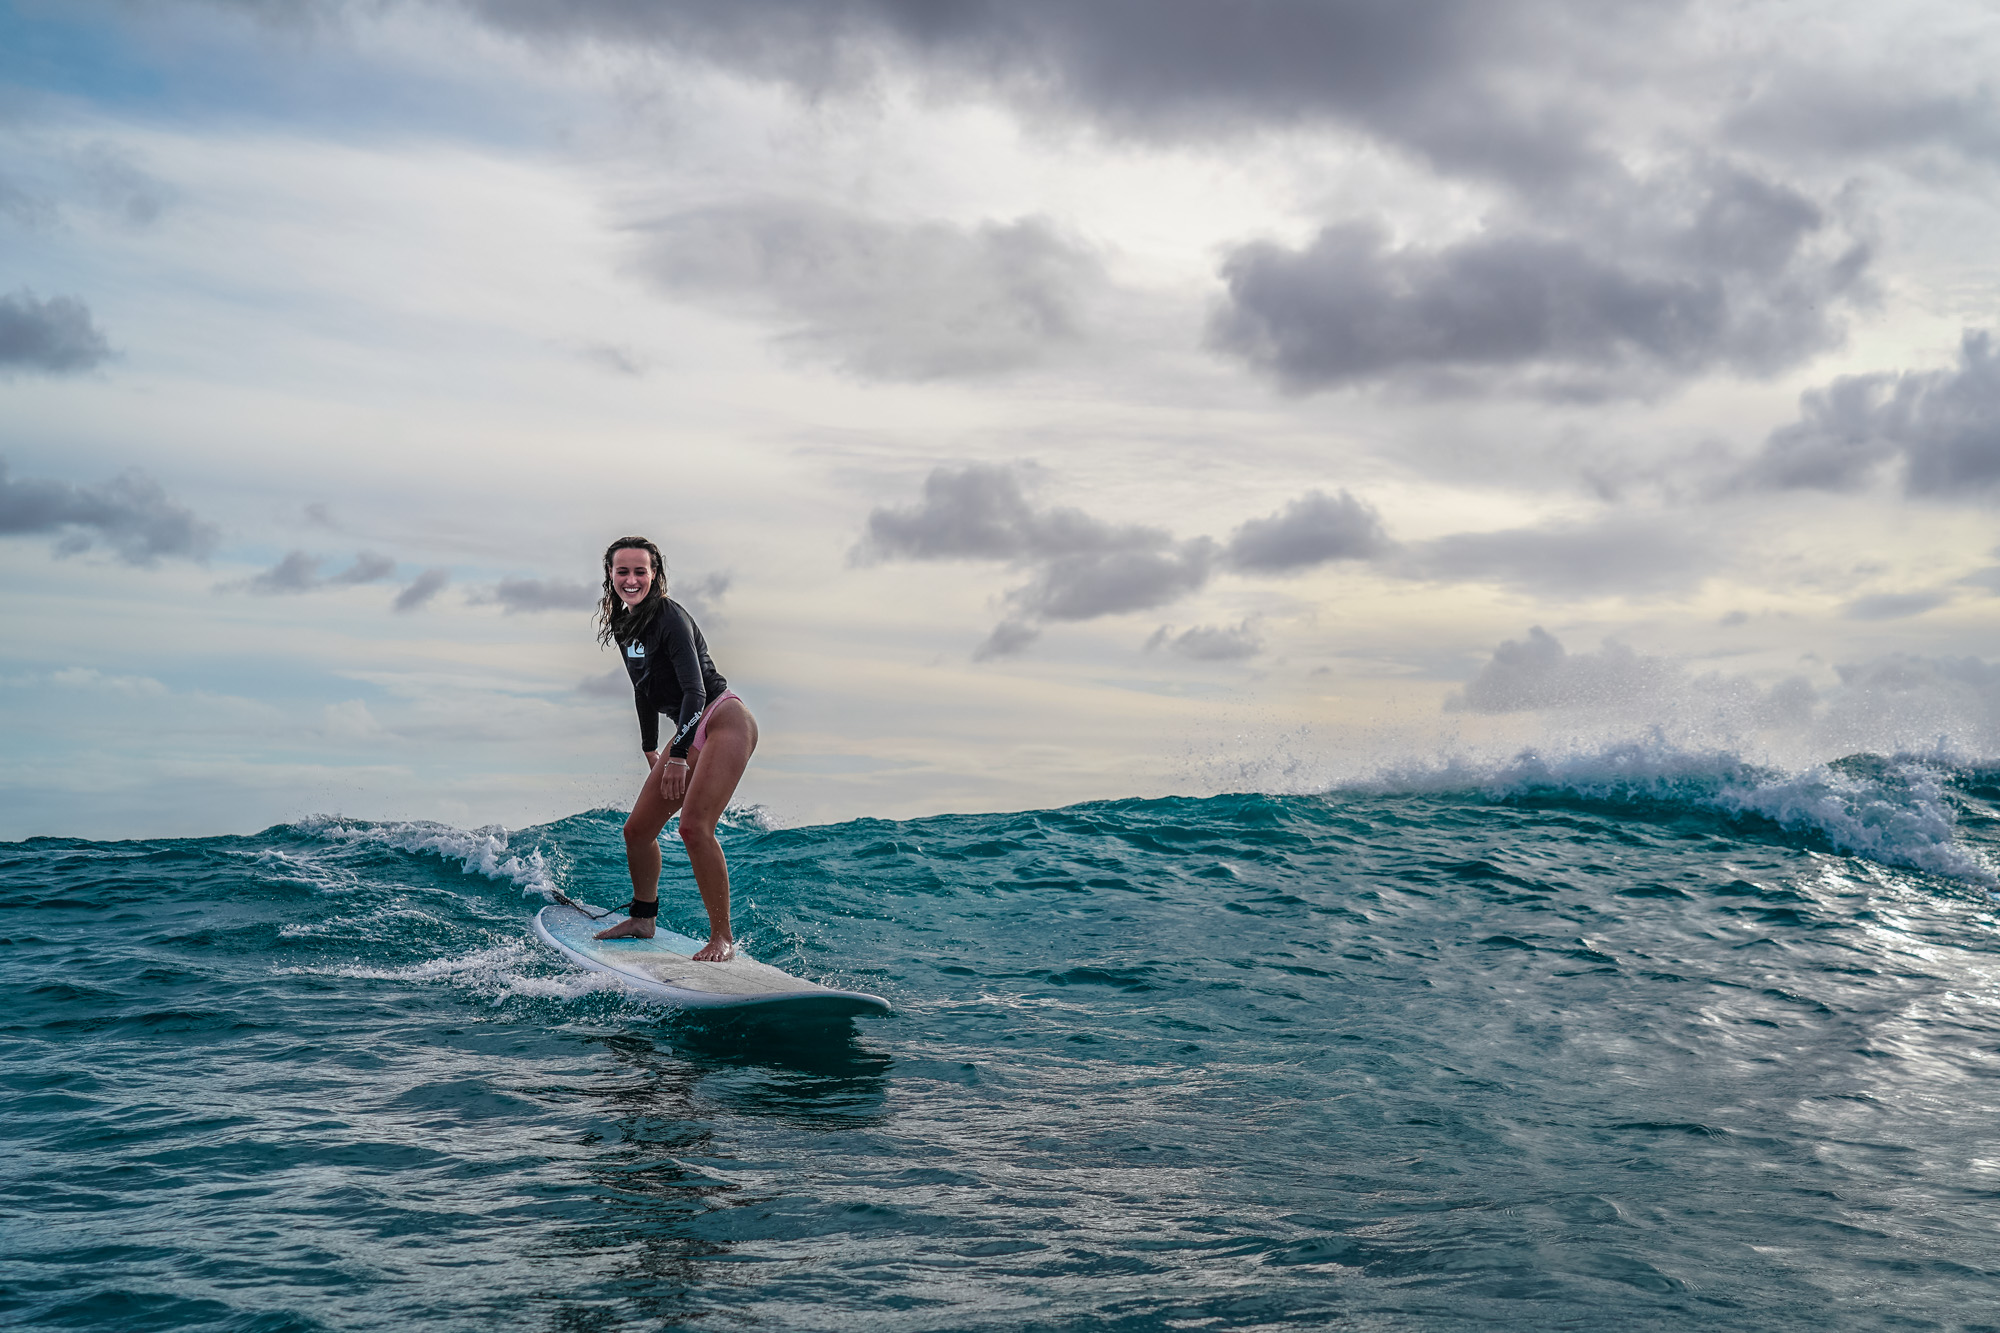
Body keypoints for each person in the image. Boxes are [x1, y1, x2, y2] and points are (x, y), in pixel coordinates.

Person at [590, 536, 758, 961]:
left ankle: (722, 938)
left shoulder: (669, 617)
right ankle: (643, 917)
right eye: (622, 571)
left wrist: (678, 756)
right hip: (687, 728)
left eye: (639, 571)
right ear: (610, 576)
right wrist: (651, 749)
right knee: (637, 831)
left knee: (693, 827)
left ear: (655, 574)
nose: (631, 579)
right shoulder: (625, 623)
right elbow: (642, 689)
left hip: (722, 719)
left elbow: (695, 692)